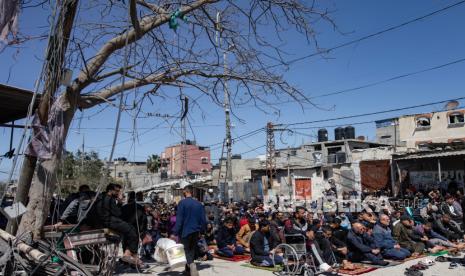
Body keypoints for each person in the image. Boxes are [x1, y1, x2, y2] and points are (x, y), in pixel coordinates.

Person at [88, 183, 143, 268]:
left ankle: (133, 256)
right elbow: (118, 213)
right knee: (132, 231)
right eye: (117, 191)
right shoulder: (109, 199)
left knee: (130, 230)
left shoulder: (101, 198)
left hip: (103, 222)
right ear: (111, 190)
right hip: (110, 222)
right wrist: (120, 202)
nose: (118, 193)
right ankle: (128, 254)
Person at [174, 185, 207, 276]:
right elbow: (203, 220)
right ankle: (188, 270)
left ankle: (192, 265)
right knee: (191, 250)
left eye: (183, 192)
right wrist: (203, 231)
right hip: (195, 231)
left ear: (186, 192)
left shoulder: (182, 203)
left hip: (185, 231)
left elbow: (179, 220)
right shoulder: (199, 204)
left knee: (185, 250)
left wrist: (174, 232)